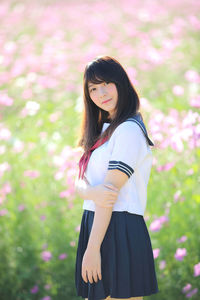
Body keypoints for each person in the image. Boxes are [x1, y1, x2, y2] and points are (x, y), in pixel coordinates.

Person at [74, 55, 160, 300]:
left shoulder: (129, 130)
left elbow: (109, 195)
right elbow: (79, 181)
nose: (101, 93)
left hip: (118, 228)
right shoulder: (103, 130)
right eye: (93, 88)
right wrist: (89, 192)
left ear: (121, 83)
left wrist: (93, 248)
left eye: (106, 84)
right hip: (97, 225)